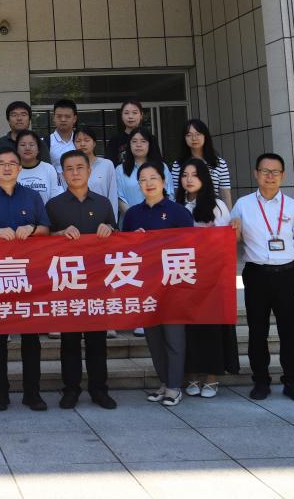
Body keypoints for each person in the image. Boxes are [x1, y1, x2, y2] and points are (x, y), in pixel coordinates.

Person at [0, 145, 50, 411]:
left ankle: (32, 393)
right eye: (1, 163)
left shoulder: (33, 196)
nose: (6, 167)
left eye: (12, 163)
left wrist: (32, 228)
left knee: (31, 338)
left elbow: (46, 229)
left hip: (29, 275)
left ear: (19, 168)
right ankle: (0, 393)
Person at [231, 153, 294, 404]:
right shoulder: (243, 205)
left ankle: (292, 382)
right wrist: (234, 230)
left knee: (289, 332)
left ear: (283, 176)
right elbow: (232, 241)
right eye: (265, 171)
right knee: (257, 331)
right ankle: (261, 381)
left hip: (287, 275)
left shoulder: (293, 207)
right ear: (256, 174)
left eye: (275, 172)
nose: (269, 176)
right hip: (256, 274)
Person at [45, 151, 118, 410]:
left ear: (89, 171)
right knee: (70, 341)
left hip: (97, 281)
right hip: (68, 282)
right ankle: (71, 390)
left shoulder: (103, 204)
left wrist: (110, 229)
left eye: (79, 167)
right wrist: (59, 234)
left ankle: (99, 390)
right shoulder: (54, 205)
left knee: (97, 340)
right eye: (69, 168)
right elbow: (42, 243)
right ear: (62, 174)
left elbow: (118, 238)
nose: (75, 173)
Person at [122, 163, 195, 407]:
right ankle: (164, 382)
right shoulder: (132, 214)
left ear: (163, 182)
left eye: (153, 178)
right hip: (146, 285)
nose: (149, 183)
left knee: (174, 338)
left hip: (173, 284)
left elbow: (191, 247)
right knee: (153, 339)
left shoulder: (178, 212)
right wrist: (134, 240)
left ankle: (174, 386)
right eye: (143, 179)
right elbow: (124, 251)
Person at [176, 158, 239, 398]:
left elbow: (226, 242)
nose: (189, 179)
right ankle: (191, 376)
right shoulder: (176, 205)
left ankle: (212, 377)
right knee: (188, 329)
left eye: (194, 175)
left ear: (204, 178)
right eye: (184, 175)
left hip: (212, 277)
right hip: (184, 277)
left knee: (212, 328)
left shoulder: (218, 206)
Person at [170, 119, 234, 209]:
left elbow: (226, 195)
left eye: (198, 134)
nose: (194, 138)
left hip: (213, 211)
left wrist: (229, 215)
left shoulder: (219, 163)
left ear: (205, 136)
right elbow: (176, 193)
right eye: (189, 135)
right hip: (186, 211)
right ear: (184, 138)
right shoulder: (178, 164)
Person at [117, 126, 171, 222]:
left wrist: (156, 217)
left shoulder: (162, 167)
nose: (138, 145)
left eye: (143, 141)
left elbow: (169, 194)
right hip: (131, 222)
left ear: (150, 144)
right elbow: (119, 199)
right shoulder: (120, 170)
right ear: (129, 145)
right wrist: (136, 217)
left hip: (160, 221)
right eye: (134, 141)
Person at [74, 126, 118, 222]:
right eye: (78, 141)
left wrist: (112, 223)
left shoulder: (107, 164)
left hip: (103, 217)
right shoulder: (72, 168)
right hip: (78, 217)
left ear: (94, 143)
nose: (82, 144)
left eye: (86, 140)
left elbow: (113, 195)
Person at [14, 129, 61, 204]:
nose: (27, 148)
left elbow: (56, 197)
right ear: (16, 149)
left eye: (31, 144)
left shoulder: (49, 169)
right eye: (23, 145)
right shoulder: (11, 170)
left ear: (38, 149)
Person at [48, 99, 78, 170]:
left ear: (74, 119)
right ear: (53, 118)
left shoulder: (81, 140)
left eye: (67, 116)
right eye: (59, 116)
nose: (63, 120)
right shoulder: (46, 142)